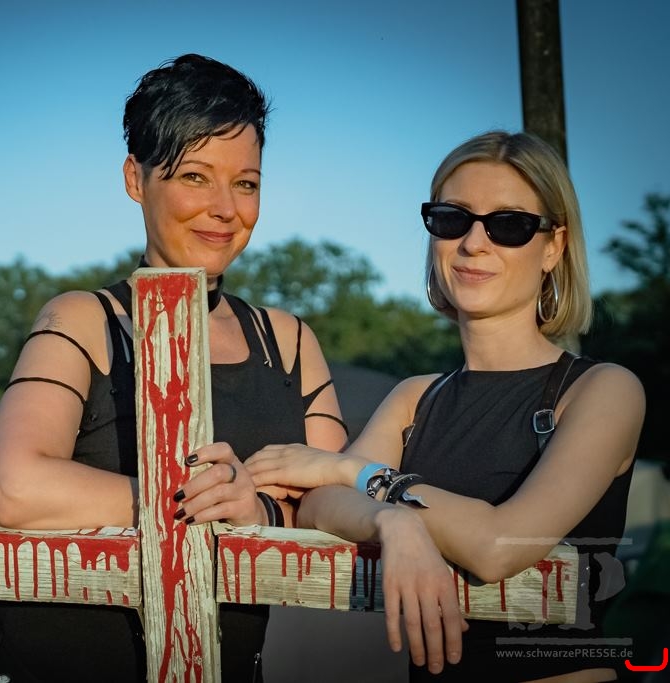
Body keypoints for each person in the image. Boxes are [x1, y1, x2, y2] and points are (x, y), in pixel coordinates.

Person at [0, 54, 348, 682]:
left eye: (246, 183)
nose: (225, 208)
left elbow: (333, 501)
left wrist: (257, 513)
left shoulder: (289, 341)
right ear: (135, 179)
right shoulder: (83, 319)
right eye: (195, 176)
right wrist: (198, 504)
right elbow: (10, 486)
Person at [241, 130, 644, 681]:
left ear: (554, 246)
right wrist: (393, 522)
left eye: (508, 225)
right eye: (453, 219)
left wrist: (363, 476)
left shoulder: (603, 389)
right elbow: (318, 506)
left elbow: (499, 545)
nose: (474, 243)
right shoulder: (416, 397)